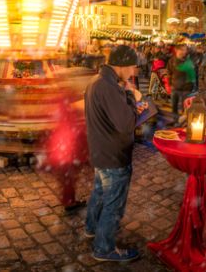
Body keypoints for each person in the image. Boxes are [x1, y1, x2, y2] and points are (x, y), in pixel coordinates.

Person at [84, 45, 146, 262]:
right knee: (114, 204)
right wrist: (132, 99)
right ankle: (104, 247)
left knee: (99, 194)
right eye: (131, 67)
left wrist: (125, 95)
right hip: (113, 154)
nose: (133, 72)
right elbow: (126, 124)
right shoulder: (109, 88)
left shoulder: (98, 81)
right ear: (120, 65)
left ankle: (91, 227)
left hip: (101, 151)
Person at [167, 44, 195, 120]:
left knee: (185, 107)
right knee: (174, 107)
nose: (183, 52)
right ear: (176, 50)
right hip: (175, 87)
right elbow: (169, 73)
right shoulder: (171, 61)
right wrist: (169, 85)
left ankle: (183, 123)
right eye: (182, 49)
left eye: (185, 50)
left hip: (187, 87)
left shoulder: (189, 60)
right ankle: (175, 121)